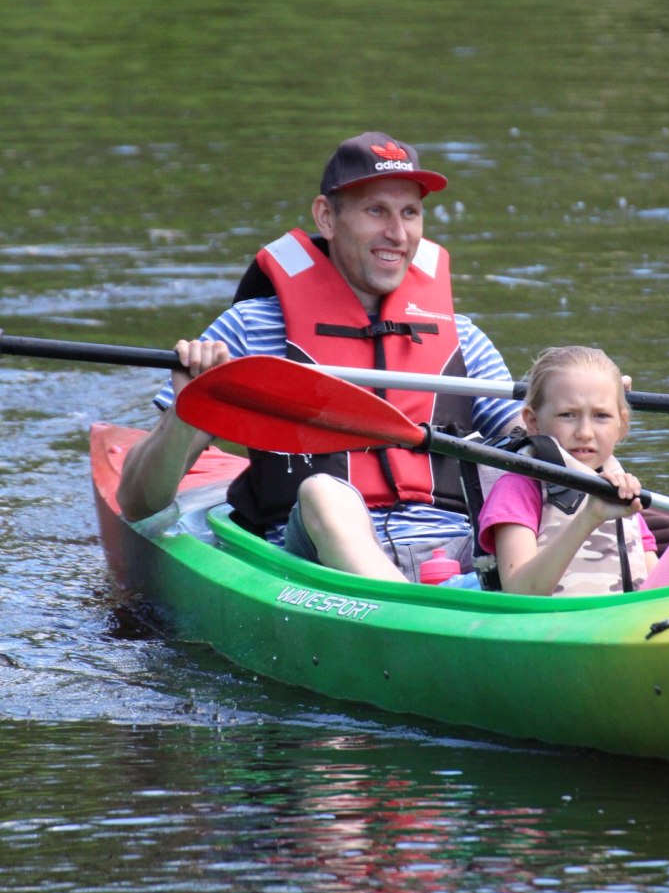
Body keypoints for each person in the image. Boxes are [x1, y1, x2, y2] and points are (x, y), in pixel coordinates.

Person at [117, 132, 521, 582]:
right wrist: (188, 410)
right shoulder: (248, 332)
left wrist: (585, 416)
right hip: (317, 562)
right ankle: (405, 608)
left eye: (410, 212)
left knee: (533, 475)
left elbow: (535, 441)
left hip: (458, 555)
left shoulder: (462, 336)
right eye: (376, 211)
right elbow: (138, 502)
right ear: (326, 217)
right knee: (325, 494)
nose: (398, 233)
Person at [476, 344, 669, 597]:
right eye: (568, 415)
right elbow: (520, 591)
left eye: (601, 416)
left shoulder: (620, 485)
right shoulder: (519, 487)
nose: (585, 432)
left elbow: (652, 578)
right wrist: (590, 516)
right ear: (533, 421)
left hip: (633, 621)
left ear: (622, 424)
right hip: (569, 631)